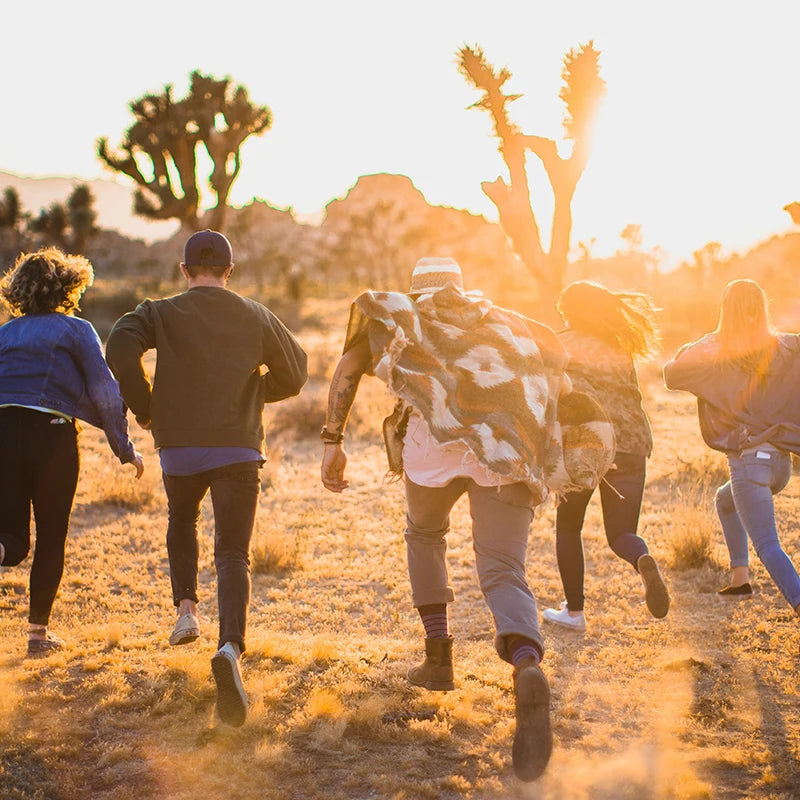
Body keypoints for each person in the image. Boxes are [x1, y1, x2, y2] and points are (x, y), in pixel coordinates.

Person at [320, 257, 613, 782]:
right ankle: (526, 661)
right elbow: (555, 371)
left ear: (415, 290)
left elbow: (347, 369)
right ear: (461, 287)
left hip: (429, 456)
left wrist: (331, 440)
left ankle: (438, 659)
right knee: (502, 567)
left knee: (425, 536)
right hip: (503, 453)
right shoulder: (505, 323)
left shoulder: (402, 318)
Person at [106, 230, 307, 726]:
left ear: (185, 270)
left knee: (182, 518)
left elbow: (117, 347)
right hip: (239, 444)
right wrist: (257, 391)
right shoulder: (256, 314)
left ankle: (186, 614)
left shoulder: (159, 312)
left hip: (180, 448)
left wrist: (146, 405)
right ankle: (231, 649)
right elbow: (297, 371)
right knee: (233, 551)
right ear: (229, 272)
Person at [0, 248, 144, 656]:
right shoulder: (77, 330)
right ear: (68, 287)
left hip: (3, 430)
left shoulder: (5, 333)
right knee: (50, 536)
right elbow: (104, 391)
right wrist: (124, 448)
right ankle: (37, 637)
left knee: (11, 539)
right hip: (51, 434)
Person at [664, 278, 800, 615]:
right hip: (780, 464)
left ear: (726, 311)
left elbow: (671, 373)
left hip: (750, 463)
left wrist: (707, 340)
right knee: (725, 501)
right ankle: (740, 578)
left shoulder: (716, 347)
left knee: (768, 544)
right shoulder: (784, 344)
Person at [542, 281, 670, 632]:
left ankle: (574, 613)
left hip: (586, 444)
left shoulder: (561, 343)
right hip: (631, 443)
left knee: (569, 526)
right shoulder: (619, 348)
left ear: (570, 311)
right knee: (621, 533)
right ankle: (641, 558)